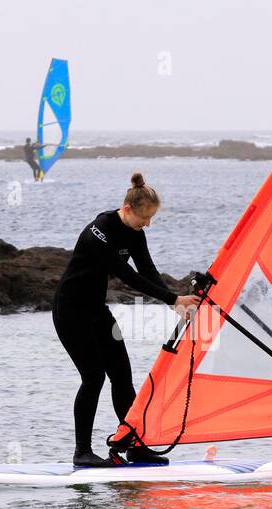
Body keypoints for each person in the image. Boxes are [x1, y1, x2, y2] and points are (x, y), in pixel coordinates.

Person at [53, 173, 201, 467]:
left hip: (96, 310)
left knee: (122, 376)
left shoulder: (135, 234)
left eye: (152, 218)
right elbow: (126, 275)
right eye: (145, 217)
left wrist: (173, 300)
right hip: (70, 310)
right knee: (93, 377)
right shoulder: (99, 232)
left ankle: (133, 445)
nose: (148, 224)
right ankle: (82, 452)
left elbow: (147, 270)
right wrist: (172, 300)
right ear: (129, 208)